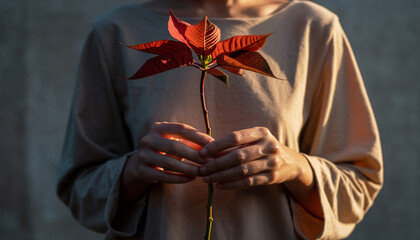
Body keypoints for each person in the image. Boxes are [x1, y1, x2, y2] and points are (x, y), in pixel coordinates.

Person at [57, 0, 383, 239]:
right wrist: (132, 171)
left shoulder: (313, 27)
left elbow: (360, 182)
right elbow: (80, 187)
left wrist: (296, 167)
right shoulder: (114, 31)